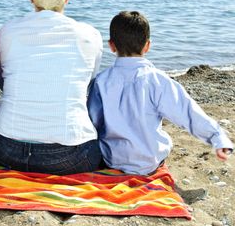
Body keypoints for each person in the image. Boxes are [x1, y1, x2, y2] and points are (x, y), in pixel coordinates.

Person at [0, 0, 103, 175]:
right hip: (70, 155)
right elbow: (88, 83)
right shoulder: (89, 35)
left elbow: (2, 79)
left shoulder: (6, 32)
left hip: (7, 150)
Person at [87, 11, 233, 175]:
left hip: (113, 160)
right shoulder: (158, 80)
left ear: (112, 46)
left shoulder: (100, 81)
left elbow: (93, 121)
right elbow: (187, 113)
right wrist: (218, 137)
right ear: (147, 46)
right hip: (149, 163)